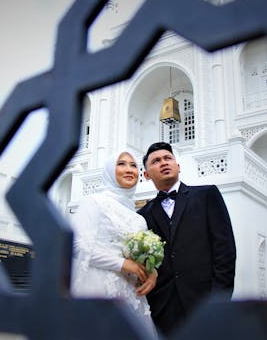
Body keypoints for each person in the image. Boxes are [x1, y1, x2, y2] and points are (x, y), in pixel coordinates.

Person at [138, 142, 236, 336]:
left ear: (178, 166)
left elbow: (224, 251)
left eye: (168, 158)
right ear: (147, 175)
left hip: (206, 303)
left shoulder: (207, 195)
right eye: (156, 161)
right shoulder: (142, 215)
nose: (164, 163)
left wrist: (218, 300)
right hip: (164, 311)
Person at [70, 151, 159, 336]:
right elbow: (77, 246)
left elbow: (141, 258)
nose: (129, 169)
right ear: (110, 171)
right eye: (122, 164)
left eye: (133, 165)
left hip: (132, 295)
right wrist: (123, 264)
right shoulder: (93, 202)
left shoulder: (139, 219)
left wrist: (152, 272)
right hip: (98, 288)